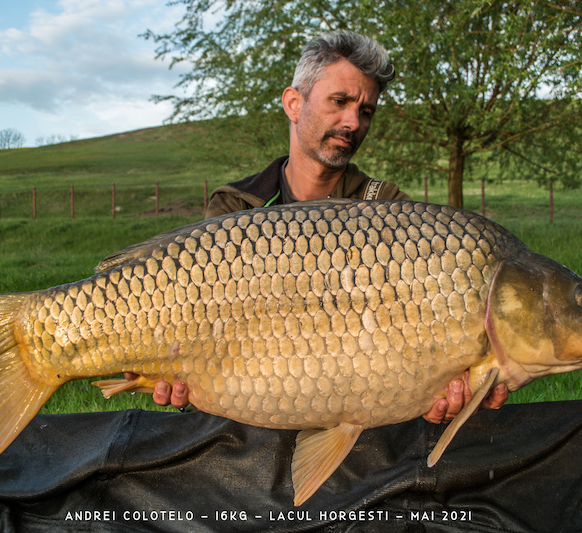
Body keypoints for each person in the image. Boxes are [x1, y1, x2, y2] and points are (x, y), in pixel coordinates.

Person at [141, 30, 508, 423]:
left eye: (365, 111)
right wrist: (174, 375)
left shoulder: (389, 211)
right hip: (252, 418)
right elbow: (190, 327)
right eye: (340, 101)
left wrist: (432, 393)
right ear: (294, 104)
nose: (353, 122)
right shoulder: (235, 206)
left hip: (357, 423)